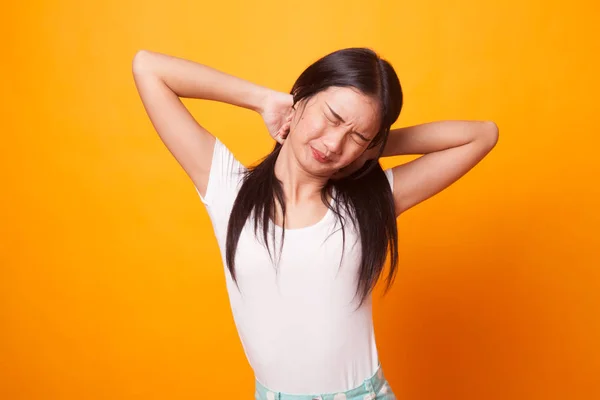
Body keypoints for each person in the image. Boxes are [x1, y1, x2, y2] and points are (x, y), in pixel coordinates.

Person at [132, 47, 498, 400]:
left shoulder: (366, 205)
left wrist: (372, 144)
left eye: (355, 136)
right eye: (333, 118)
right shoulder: (229, 189)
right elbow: (148, 68)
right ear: (303, 98)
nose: (335, 143)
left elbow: (482, 135)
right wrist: (263, 100)